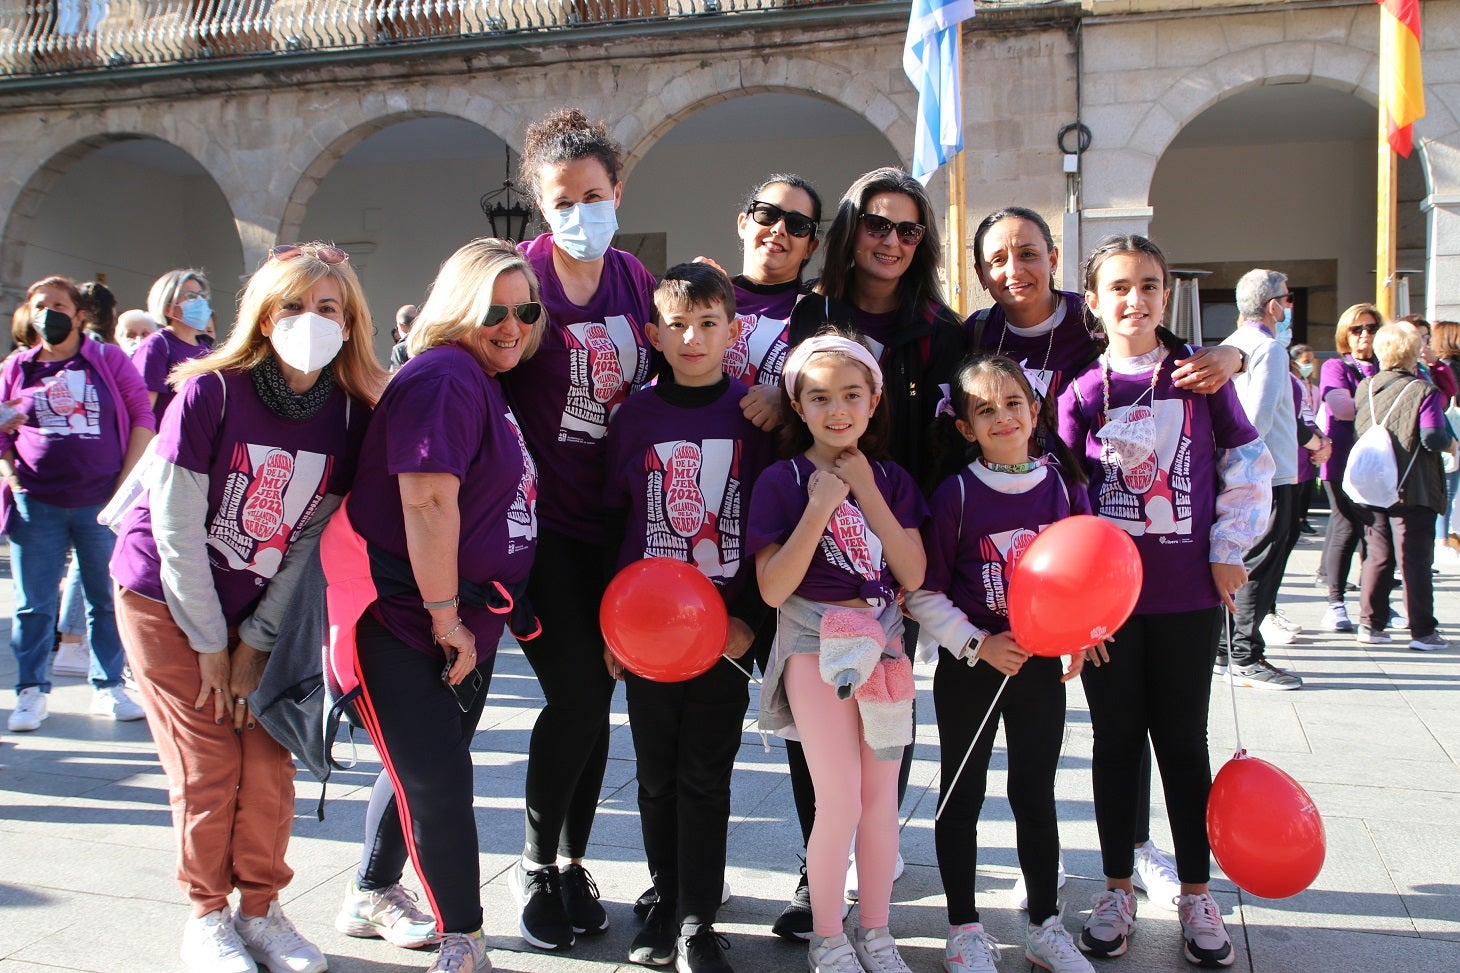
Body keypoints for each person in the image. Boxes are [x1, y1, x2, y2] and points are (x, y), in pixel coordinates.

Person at [109, 242, 384, 973]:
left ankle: (261, 910)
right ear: (263, 316)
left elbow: (307, 547)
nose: (310, 320)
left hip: (259, 610)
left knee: (266, 760)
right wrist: (209, 642)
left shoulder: (353, 419)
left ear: (351, 321)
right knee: (208, 760)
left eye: (328, 307)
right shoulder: (212, 391)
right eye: (292, 304)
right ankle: (206, 915)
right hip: (164, 598)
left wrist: (255, 642)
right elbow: (173, 526)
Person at [971, 206, 1202, 915]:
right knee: (1085, 720)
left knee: (1149, 725)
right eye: (1000, 257)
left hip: (1122, 557)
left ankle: (1135, 856)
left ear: (1055, 260)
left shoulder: (1091, 316)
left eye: (1030, 251)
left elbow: (1171, 357)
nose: (1016, 268)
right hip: (1026, 541)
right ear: (983, 271)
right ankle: (1054, 858)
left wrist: (1236, 354)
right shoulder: (978, 333)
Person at [327, 238, 543, 973]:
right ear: (459, 306)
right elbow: (425, 500)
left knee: (421, 765)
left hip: (455, 622)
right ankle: (464, 941)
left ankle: (370, 890)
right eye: (495, 309)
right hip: (407, 622)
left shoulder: (479, 376)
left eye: (526, 309)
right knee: (440, 781)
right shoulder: (447, 375)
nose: (513, 324)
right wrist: (448, 616)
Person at [1057, 235, 1273, 969]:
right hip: (1108, 608)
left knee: (1183, 745)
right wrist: (1070, 603)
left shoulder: (1200, 381)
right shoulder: (1083, 394)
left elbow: (1248, 464)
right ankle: (1116, 885)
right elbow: (1065, 498)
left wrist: (1228, 548)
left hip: (1185, 597)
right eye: (1118, 287)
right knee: (1115, 743)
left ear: (1165, 296)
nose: (1135, 299)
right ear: (1094, 302)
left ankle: (1194, 890)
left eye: (1149, 285)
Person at [498, 106, 656, 951]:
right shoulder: (519, 279)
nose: (580, 212)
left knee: (601, 698)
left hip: (621, 528)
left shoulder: (634, 278)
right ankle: (534, 862)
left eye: (594, 194)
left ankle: (572, 861)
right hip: (545, 527)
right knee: (578, 692)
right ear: (539, 202)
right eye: (562, 199)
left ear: (617, 192)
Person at [604, 264, 775, 973]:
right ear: (654, 335)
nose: (693, 337)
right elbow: (617, 523)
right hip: (648, 633)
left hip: (724, 634)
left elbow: (771, 528)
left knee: (705, 773)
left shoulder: (753, 417)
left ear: (732, 332)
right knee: (654, 773)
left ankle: (700, 918)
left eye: (708, 324)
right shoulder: (636, 416)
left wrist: (751, 625)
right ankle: (667, 900)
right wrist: (613, 629)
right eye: (677, 324)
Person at [906, 354, 1093, 973]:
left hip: (1038, 668)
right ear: (965, 427)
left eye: (1013, 403)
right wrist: (975, 644)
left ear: (1035, 410)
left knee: (1034, 794)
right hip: (970, 669)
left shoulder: (1061, 486)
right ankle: (963, 928)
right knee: (960, 795)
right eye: (984, 409)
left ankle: (1045, 924)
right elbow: (922, 592)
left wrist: (1082, 633)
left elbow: (1083, 571)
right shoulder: (955, 493)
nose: (1002, 417)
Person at [748, 333, 927, 973]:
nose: (837, 410)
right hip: (812, 647)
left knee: (882, 804)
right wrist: (820, 507)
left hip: (884, 651)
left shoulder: (894, 481)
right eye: (819, 397)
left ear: (875, 399)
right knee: (842, 800)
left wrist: (866, 491)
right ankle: (829, 936)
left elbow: (911, 571)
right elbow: (773, 588)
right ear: (798, 405)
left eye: (851, 395)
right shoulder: (781, 480)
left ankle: (876, 932)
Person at [2, 275, 154, 733]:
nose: (49, 313)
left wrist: (123, 489)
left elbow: (142, 417)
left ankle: (108, 685)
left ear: (79, 313)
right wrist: (11, 472)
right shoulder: (18, 367)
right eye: (40, 305)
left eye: (59, 305)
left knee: (105, 599)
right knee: (34, 604)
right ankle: (31, 692)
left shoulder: (105, 360)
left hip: (99, 503)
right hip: (38, 503)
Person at [1215, 269, 1326, 689]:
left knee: (1243, 562)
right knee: (1258, 565)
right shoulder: (1268, 348)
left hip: (1245, 471)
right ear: (1273, 305)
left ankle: (1228, 650)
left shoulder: (1231, 345)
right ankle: (1242, 653)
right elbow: (1257, 418)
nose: (1289, 305)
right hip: (1269, 474)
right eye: (1287, 297)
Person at [1352, 321, 1453, 651]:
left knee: (1378, 556)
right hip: (1413, 486)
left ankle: (1370, 623)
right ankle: (1422, 631)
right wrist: (1452, 445)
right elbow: (1433, 437)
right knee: (1415, 559)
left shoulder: (1365, 386)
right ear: (1413, 353)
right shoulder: (1422, 391)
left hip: (1373, 483)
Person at [720, 172, 822, 431]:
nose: (778, 229)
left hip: (775, 466)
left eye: (798, 224)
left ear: (810, 247)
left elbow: (841, 395)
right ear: (743, 223)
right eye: (767, 214)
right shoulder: (704, 297)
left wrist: (788, 402)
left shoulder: (823, 316)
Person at [1317, 304, 1385, 632]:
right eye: (1357, 329)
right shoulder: (1336, 366)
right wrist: (1388, 402)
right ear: (1346, 333)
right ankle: (1335, 601)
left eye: (1371, 328)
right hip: (1343, 459)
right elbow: (1340, 407)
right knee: (1346, 527)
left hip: (1383, 463)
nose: (1364, 335)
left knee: (1379, 532)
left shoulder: (1387, 366)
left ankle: (1377, 604)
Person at [137, 269, 215, 423]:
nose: (200, 302)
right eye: (191, 296)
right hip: (166, 439)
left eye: (202, 296)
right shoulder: (158, 345)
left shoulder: (207, 350)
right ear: (168, 307)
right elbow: (143, 409)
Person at [1431, 320, 1460, 560]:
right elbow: (1450, 395)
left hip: (1451, 431)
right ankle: (1441, 539)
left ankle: (1443, 537)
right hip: (1449, 431)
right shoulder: (1448, 365)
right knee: (1448, 489)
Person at [1290, 343, 1322, 535]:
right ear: (1294, 362)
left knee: (1308, 482)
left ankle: (1303, 517)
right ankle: (1294, 519)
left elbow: (1312, 413)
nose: (1310, 365)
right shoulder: (1292, 382)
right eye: (1306, 361)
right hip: (1297, 440)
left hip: (1310, 436)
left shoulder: (1314, 388)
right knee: (1297, 482)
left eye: (1312, 361)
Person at [388, 303, 418, 372]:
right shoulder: (437, 343)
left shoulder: (400, 349)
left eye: (397, 327)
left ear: (402, 326)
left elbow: (394, 379)